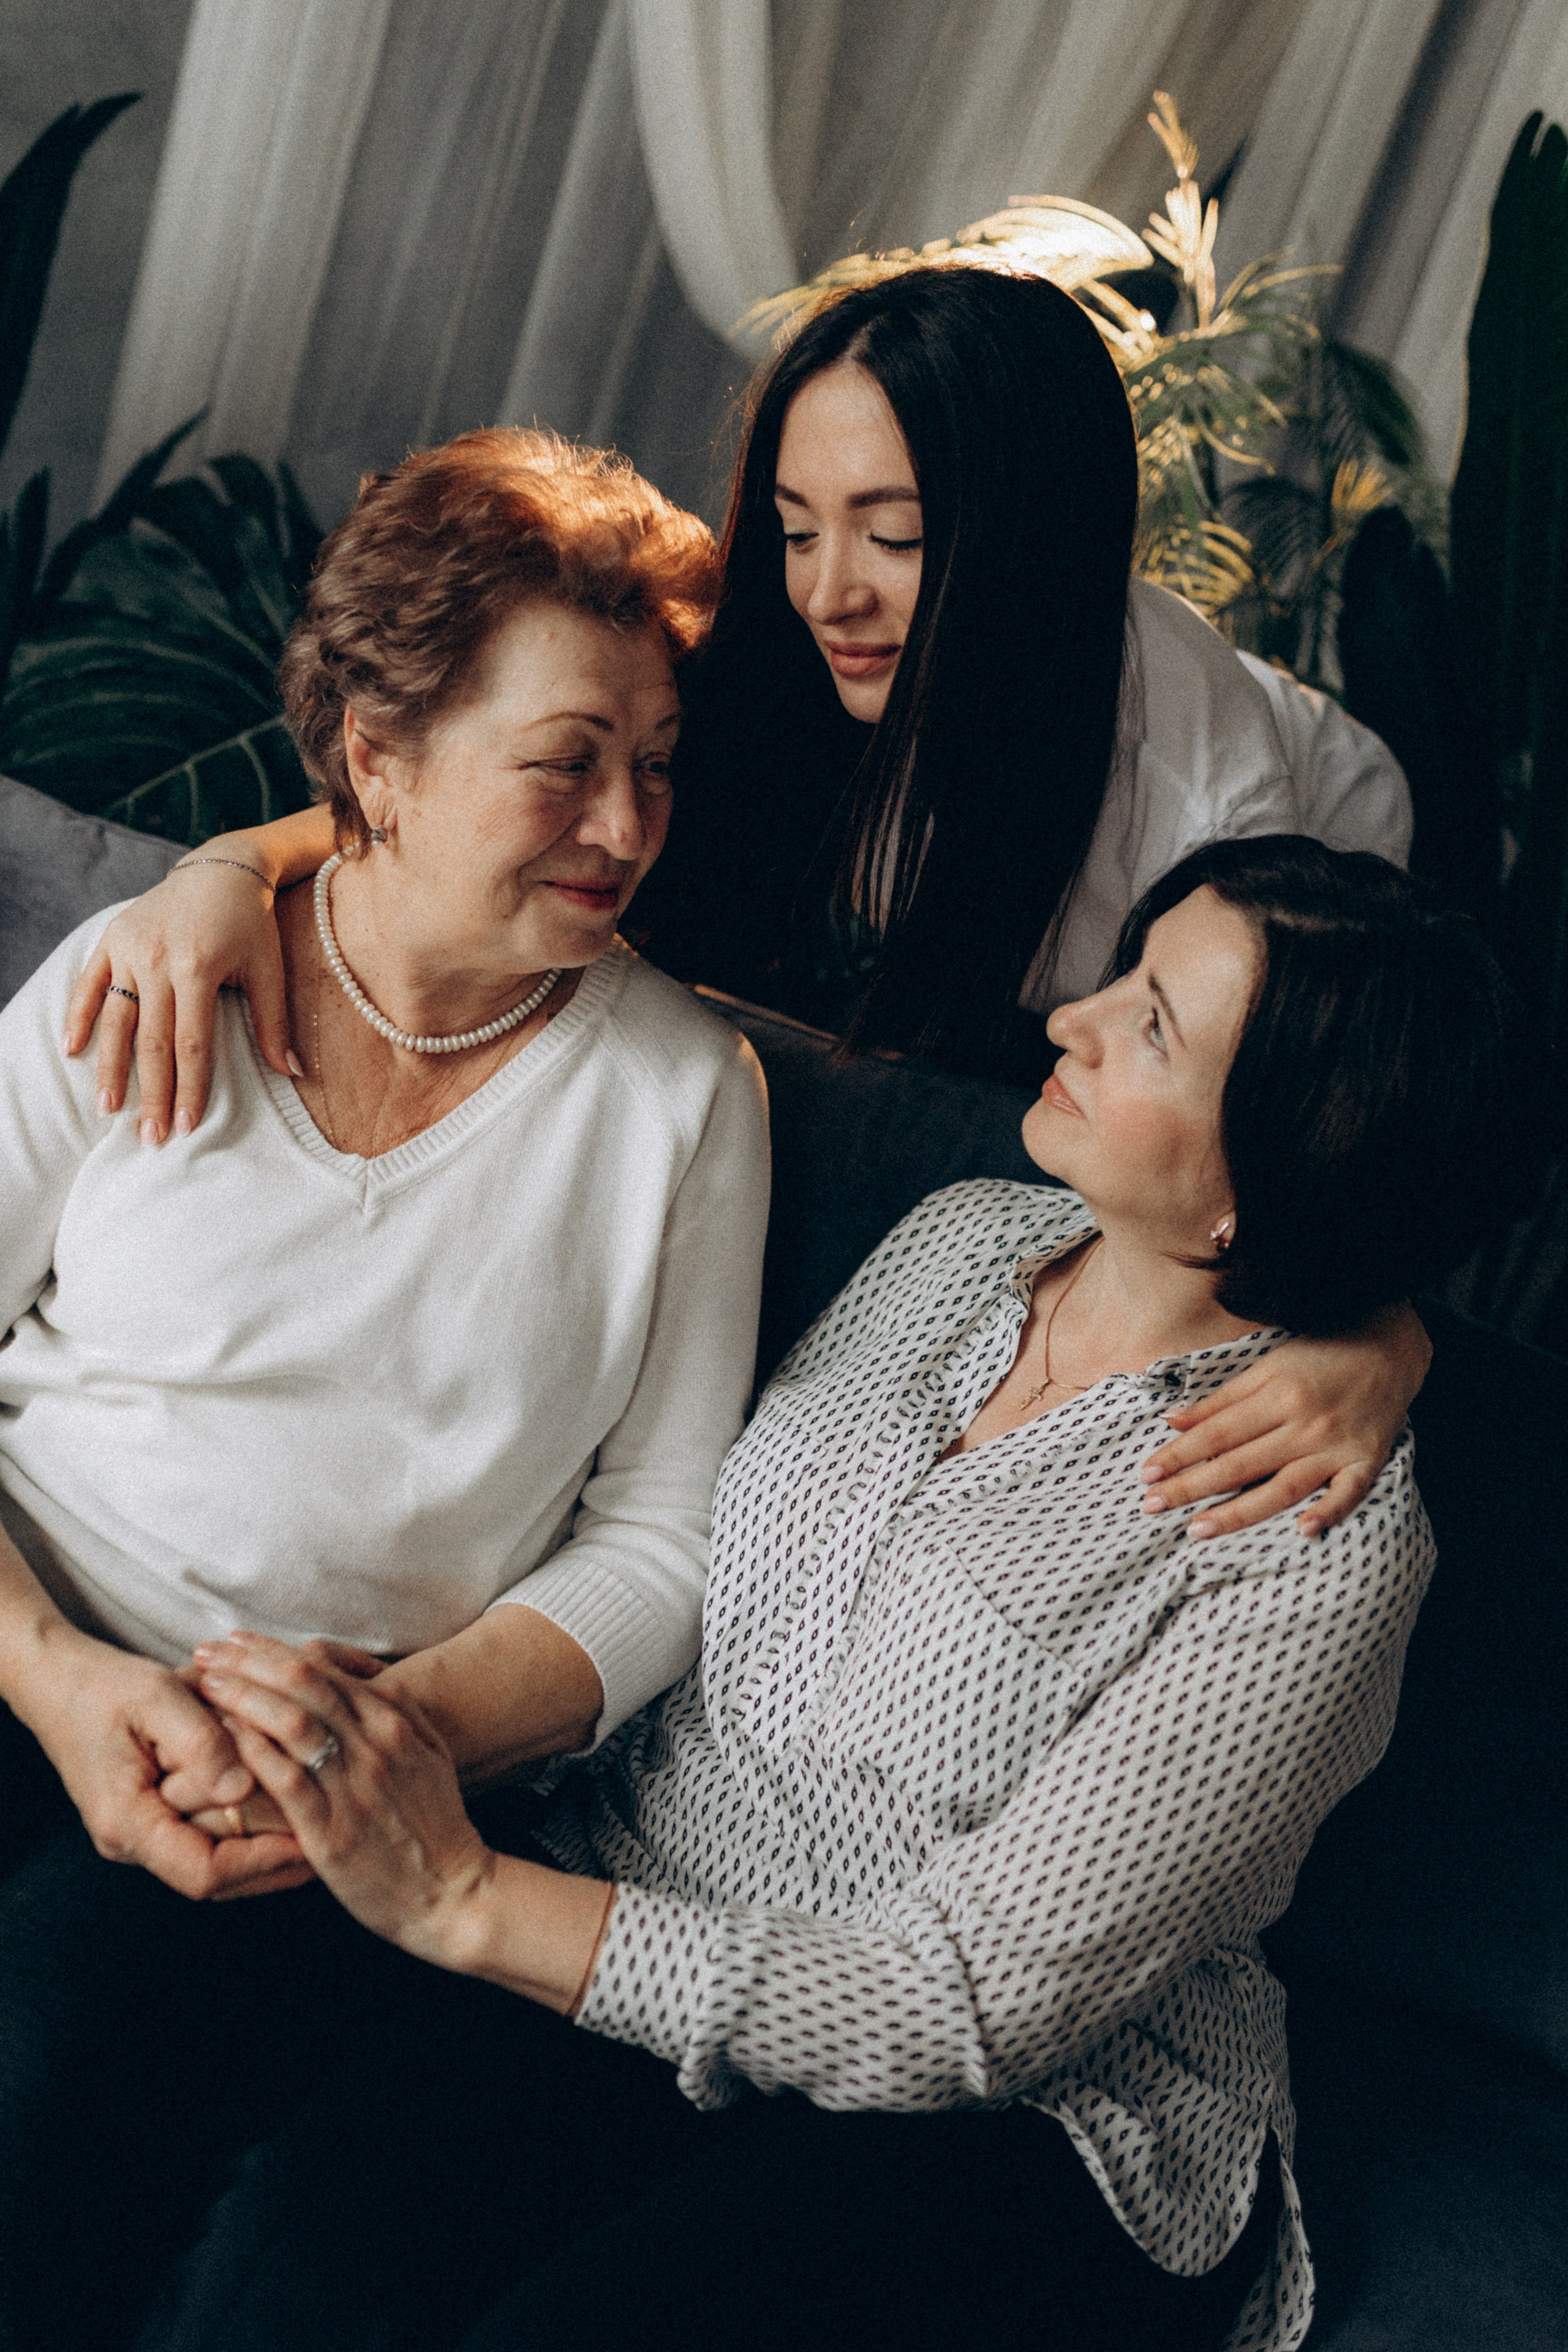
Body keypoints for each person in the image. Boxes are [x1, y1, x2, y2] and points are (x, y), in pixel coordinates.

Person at [132, 837, 1522, 2352]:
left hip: (1014, 2109)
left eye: (1150, 1028)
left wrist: (461, 1900)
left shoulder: (1313, 1540)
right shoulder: (958, 1241)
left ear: (1275, 1164)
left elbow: (967, 2004)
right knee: (286, 2264)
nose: (1070, 1016)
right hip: (642, 1911)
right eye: (1122, 972)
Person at [61, 271, 1427, 1547]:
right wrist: (231, 868)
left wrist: (1380, 1336)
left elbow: (1341, 1139)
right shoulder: (788, 658)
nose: (827, 587)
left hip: (1316, 922)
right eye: (793, 526)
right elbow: (472, 790)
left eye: (892, 535)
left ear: (1025, 539)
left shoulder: (1213, 816)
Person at [0, 429, 770, 2350]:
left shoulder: (683, 1104)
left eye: (654, 765)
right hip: (25, 1654)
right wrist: (61, 1680)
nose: (625, 824)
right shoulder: (143, 979)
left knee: (70, 2034)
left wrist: (380, 1747)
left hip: (321, 1794)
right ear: (378, 756)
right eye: (566, 763)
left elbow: (669, 1541)